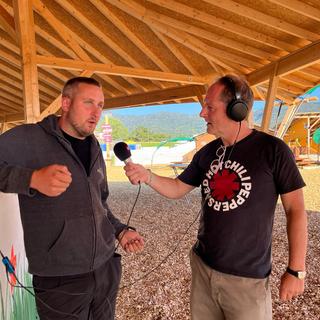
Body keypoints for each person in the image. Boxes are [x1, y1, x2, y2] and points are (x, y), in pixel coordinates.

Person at [124, 74, 308, 320]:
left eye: (210, 107)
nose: (202, 113)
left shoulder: (273, 150)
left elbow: (295, 210)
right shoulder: (208, 152)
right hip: (203, 269)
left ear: (237, 109)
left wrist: (296, 271)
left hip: (247, 280)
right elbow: (178, 187)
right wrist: (147, 176)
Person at [0, 77, 144, 320]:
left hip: (105, 266)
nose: (96, 112)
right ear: (65, 104)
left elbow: (100, 202)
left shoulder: (94, 146)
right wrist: (31, 179)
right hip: (60, 278)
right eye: (88, 102)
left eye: (100, 105)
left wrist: (120, 230)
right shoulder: (28, 138)